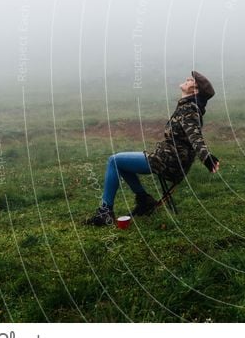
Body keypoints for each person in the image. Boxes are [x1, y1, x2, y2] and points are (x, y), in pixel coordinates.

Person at [84, 71, 220, 226]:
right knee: (120, 163)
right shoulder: (187, 106)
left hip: (169, 162)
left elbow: (195, 137)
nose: (187, 80)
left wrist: (207, 158)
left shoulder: (189, 109)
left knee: (114, 161)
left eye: (190, 80)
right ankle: (144, 201)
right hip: (166, 158)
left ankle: (105, 212)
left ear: (195, 91)